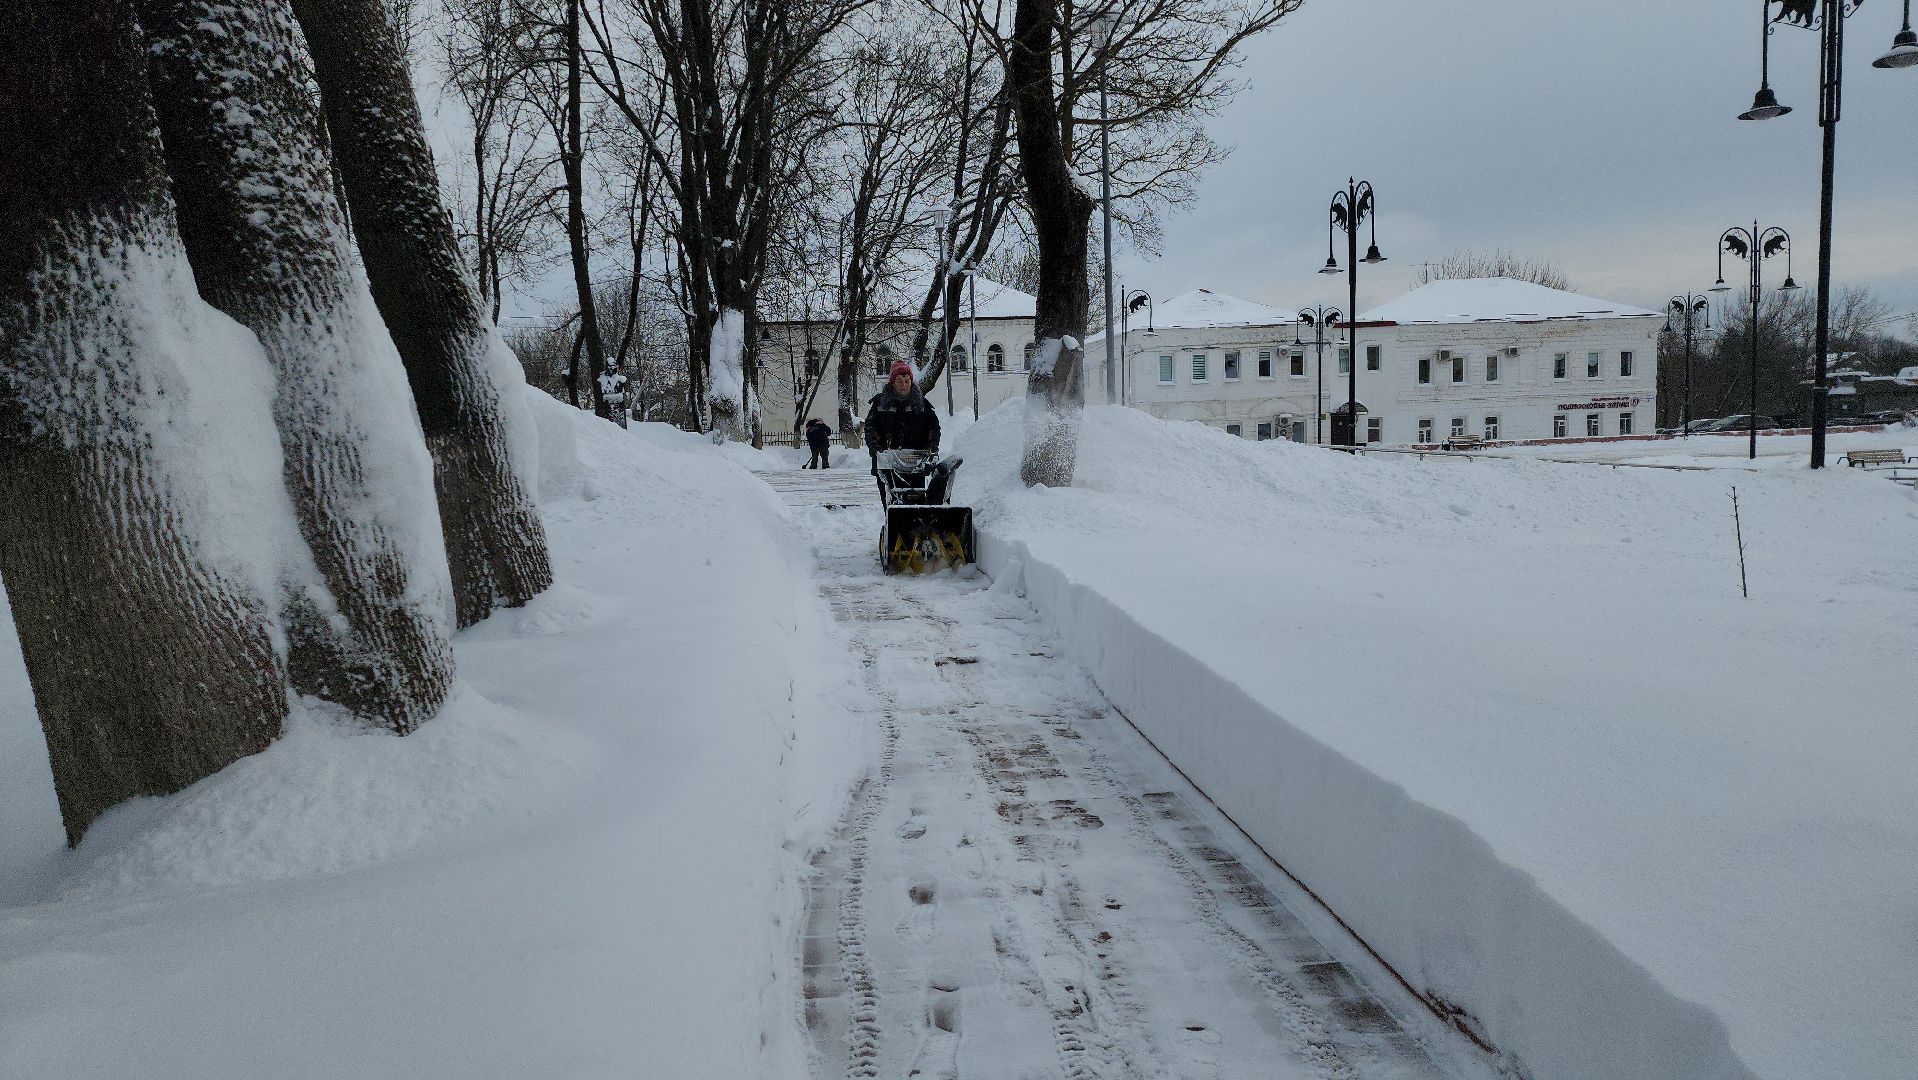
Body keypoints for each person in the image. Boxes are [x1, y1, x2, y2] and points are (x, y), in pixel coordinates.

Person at [865, 360, 940, 497]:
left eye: (907, 381)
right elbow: (871, 427)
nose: (904, 385)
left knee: (915, 500)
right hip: (886, 462)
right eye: (899, 381)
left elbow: (933, 428)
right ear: (892, 383)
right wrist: (874, 447)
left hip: (915, 462)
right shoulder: (880, 403)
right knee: (891, 502)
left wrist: (932, 446)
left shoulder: (922, 404)